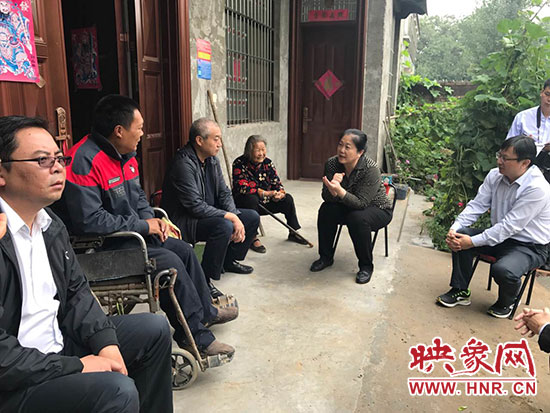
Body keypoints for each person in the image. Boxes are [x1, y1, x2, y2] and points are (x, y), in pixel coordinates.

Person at [0, 116, 173, 412]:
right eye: (42, 160)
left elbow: (77, 294)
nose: (58, 168)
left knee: (154, 328)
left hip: (57, 344)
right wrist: (77, 366)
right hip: (16, 381)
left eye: (59, 158)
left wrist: (106, 343)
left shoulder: (50, 225)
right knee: (116, 391)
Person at [61, 95, 237, 357]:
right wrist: (144, 226)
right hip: (102, 247)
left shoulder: (126, 156)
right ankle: (196, 337)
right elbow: (90, 221)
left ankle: (206, 312)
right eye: (139, 127)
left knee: (184, 250)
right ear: (119, 130)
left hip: (132, 236)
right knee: (169, 263)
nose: (143, 133)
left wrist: (156, 222)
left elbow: (140, 199)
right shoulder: (82, 161)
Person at [436, 135, 550, 318]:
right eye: (499, 155)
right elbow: (477, 205)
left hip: (529, 246)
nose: (499, 161)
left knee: (504, 270)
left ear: (525, 163)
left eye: (505, 158)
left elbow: (509, 227)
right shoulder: (495, 175)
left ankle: (507, 301)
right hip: (500, 237)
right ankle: (460, 290)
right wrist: (455, 228)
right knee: (460, 235)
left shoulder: (537, 188)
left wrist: (472, 242)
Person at [161, 118, 260, 293]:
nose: (220, 144)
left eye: (220, 139)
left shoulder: (212, 160)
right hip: (186, 220)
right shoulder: (183, 164)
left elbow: (224, 192)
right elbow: (195, 206)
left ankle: (228, 261)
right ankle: (204, 279)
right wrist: (230, 217)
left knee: (251, 217)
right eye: (216, 139)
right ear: (200, 140)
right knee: (224, 225)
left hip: (208, 214)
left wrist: (234, 215)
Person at [309, 129, 393, 284]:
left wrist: (339, 190)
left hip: (377, 208)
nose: (342, 150)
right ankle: (325, 257)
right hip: (347, 205)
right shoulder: (332, 164)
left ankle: (366, 266)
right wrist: (332, 191)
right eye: (340, 145)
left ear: (360, 152)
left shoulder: (370, 169)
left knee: (357, 218)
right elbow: (326, 197)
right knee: (326, 209)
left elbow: (361, 203)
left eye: (347, 147)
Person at [232, 135, 307, 253]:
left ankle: (293, 231)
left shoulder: (268, 163)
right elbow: (242, 187)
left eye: (263, 150)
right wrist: (264, 193)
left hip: (266, 202)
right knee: (251, 199)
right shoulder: (239, 163)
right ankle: (252, 237)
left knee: (287, 199)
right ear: (249, 151)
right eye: (258, 150)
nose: (261, 153)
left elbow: (277, 183)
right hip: (246, 204)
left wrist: (279, 194)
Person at [507, 79, 550, 155]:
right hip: (525, 160)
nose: (549, 99)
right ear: (541, 92)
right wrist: (525, 144)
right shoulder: (522, 117)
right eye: (547, 94)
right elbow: (508, 146)